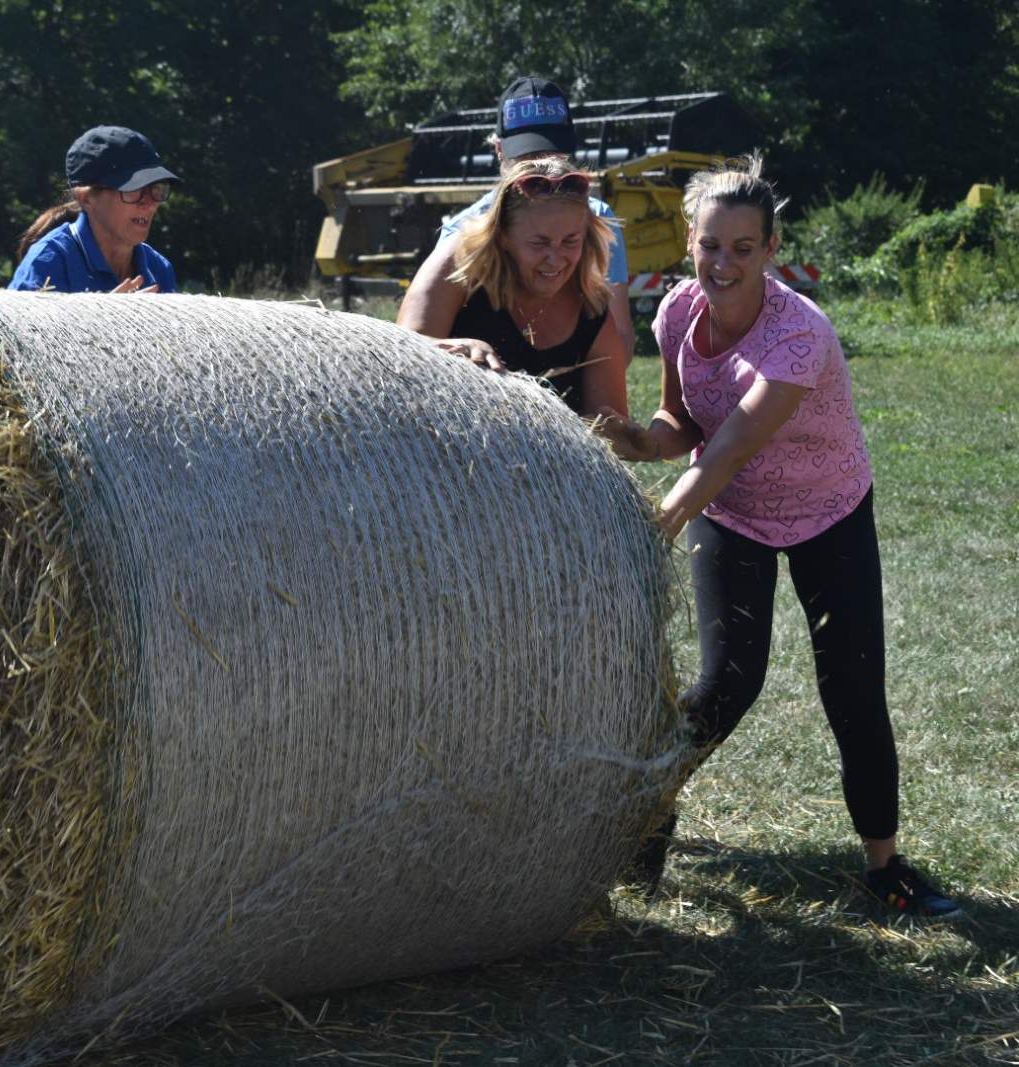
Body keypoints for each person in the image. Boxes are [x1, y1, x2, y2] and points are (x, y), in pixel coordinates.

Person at [594, 157, 960, 918]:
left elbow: (729, 448)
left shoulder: (801, 335)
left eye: (742, 247)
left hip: (829, 509)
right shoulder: (674, 316)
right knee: (728, 683)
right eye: (709, 245)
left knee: (854, 689)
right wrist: (629, 437)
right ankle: (647, 818)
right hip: (736, 516)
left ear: (770, 248)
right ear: (690, 243)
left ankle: (885, 866)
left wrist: (657, 525)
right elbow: (687, 428)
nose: (723, 263)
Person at [404, 76, 636, 359]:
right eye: (528, 154)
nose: (543, 165)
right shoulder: (461, 231)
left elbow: (619, 333)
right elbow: (412, 346)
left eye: (553, 152)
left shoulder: (599, 220)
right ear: (499, 149)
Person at [397, 155, 629, 419]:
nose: (555, 259)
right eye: (539, 243)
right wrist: (454, 348)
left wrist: (637, 440)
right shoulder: (458, 262)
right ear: (503, 236)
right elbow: (401, 352)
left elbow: (611, 427)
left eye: (570, 241)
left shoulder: (592, 311)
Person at [9, 125, 179, 294]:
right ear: (86, 198)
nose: (149, 204)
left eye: (156, 189)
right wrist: (105, 318)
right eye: (133, 190)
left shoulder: (159, 269)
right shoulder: (47, 263)